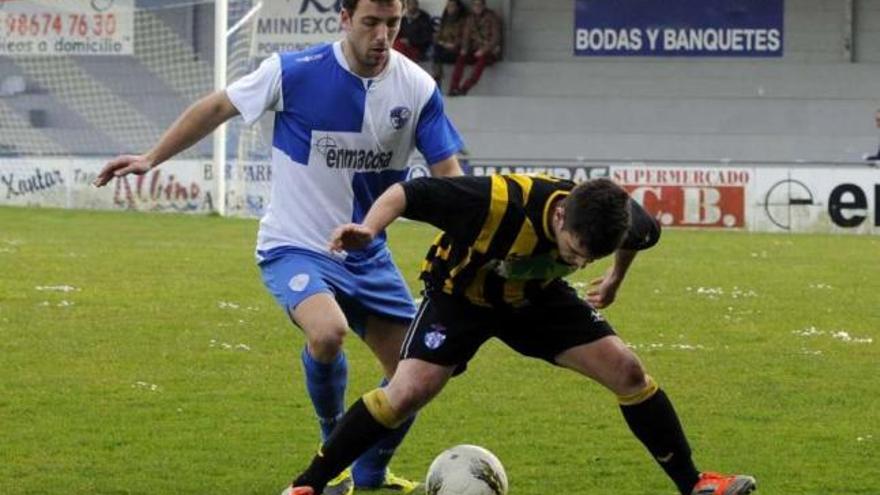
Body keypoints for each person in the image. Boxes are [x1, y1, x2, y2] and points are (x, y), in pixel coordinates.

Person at [92, 1, 464, 494]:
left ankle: (371, 475)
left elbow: (451, 178)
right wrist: (151, 157)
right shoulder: (293, 72)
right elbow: (218, 106)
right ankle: (333, 443)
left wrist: (475, 240)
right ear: (345, 18)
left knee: (415, 375)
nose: (382, 36)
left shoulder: (417, 88)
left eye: (392, 24)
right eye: (371, 22)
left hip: (367, 255)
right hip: (295, 245)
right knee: (327, 333)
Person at [282, 174, 758, 495]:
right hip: (460, 297)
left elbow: (638, 237)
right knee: (408, 391)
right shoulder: (495, 202)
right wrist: (368, 229)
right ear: (559, 216)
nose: (579, 262)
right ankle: (309, 483)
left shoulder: (612, 217)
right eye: (573, 250)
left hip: (534, 299)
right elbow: (411, 192)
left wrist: (614, 278)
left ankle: (696, 484)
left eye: (588, 259)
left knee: (628, 371)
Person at [448, 0, 501, 96]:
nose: (477, 7)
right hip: (474, 50)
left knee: (482, 59)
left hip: (488, 52)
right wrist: (464, 48)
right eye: (475, 5)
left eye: (479, 4)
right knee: (461, 57)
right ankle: (454, 87)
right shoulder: (470, 19)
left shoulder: (492, 17)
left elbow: (495, 38)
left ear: (484, 5)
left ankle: (465, 87)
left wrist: (484, 50)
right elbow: (466, 37)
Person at [431, 0, 468, 87]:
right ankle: (437, 77)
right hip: (444, 49)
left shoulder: (464, 21)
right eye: (448, 6)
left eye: (452, 6)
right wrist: (443, 43)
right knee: (437, 50)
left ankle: (437, 78)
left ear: (458, 8)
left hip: (456, 51)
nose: (450, 9)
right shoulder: (445, 21)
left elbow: (465, 38)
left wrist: (454, 44)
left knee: (438, 55)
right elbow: (437, 37)